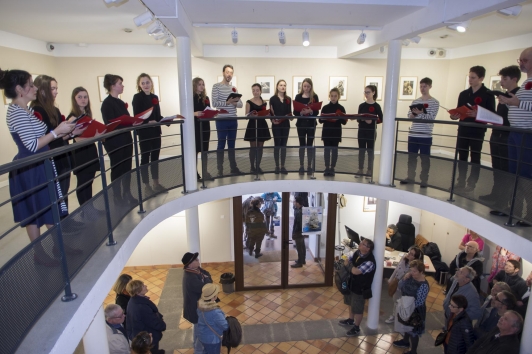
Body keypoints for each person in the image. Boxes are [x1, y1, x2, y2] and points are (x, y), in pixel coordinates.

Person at [1, 68, 77, 267]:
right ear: (20, 89)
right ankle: (39, 253)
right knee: (35, 211)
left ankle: (58, 245)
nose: (35, 88)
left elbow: (41, 138)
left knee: (48, 206)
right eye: (31, 85)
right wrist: (57, 131)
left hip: (40, 164)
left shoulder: (24, 110)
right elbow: (32, 145)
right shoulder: (16, 112)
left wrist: (62, 133)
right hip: (30, 168)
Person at [479, 66, 521, 212]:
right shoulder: (505, 95)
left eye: (504, 78)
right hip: (497, 134)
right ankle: (496, 195)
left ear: (514, 79)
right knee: (497, 168)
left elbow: (515, 118)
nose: (501, 81)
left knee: (505, 170)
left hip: (507, 137)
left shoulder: (517, 96)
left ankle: (503, 202)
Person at [498, 47, 532, 226]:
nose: (521, 63)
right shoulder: (525, 86)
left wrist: (517, 102)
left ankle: (529, 213)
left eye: (525, 60)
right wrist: (509, 103)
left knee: (526, 175)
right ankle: (516, 209)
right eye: (520, 60)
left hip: (527, 135)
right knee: (515, 174)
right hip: (515, 133)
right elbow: (520, 108)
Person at [30, 75, 74, 212]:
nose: (56, 91)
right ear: (42, 91)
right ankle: (62, 222)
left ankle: (65, 218)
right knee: (57, 191)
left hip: (61, 152)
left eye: (56, 88)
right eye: (53, 88)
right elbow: (46, 136)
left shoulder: (54, 109)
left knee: (64, 189)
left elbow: (59, 135)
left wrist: (72, 131)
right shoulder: (37, 110)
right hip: (52, 156)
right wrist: (61, 131)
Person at [450, 66, 495, 193]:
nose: (470, 80)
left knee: (475, 157)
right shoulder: (463, 94)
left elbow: (492, 114)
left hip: (478, 130)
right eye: (469, 77)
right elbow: (459, 110)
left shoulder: (488, 94)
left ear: (481, 78)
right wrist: (454, 116)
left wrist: (478, 114)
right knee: (462, 156)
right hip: (463, 129)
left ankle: (471, 184)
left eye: (473, 77)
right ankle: (460, 182)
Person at [101, 74, 139, 205]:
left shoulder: (121, 103)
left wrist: (132, 123)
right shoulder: (106, 104)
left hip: (126, 139)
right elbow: (110, 123)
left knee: (127, 167)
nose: (122, 86)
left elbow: (125, 119)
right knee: (117, 169)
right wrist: (126, 123)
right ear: (112, 86)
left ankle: (127, 193)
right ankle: (117, 196)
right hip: (115, 141)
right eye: (120, 83)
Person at [400, 77, 439, 187]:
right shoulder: (416, 101)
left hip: (425, 135)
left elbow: (431, 118)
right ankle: (410, 177)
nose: (422, 88)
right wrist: (413, 114)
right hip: (413, 133)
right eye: (421, 86)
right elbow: (409, 115)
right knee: (411, 157)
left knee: (425, 158)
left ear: (430, 86)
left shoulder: (435, 102)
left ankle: (424, 180)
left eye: (425, 86)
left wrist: (421, 112)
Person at [67, 87, 101, 208]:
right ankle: (85, 210)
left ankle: (90, 207)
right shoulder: (72, 117)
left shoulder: (86, 115)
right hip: (80, 153)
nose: (83, 99)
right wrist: (95, 136)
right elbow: (77, 139)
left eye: (85, 97)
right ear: (74, 99)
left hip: (90, 150)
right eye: (80, 97)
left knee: (89, 181)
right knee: (83, 182)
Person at [132, 73, 165, 196]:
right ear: (139, 85)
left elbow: (157, 116)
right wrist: (147, 122)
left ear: (151, 83)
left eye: (147, 82)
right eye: (143, 83)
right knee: (145, 159)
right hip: (145, 133)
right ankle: (147, 186)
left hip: (156, 131)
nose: (146, 85)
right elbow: (137, 117)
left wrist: (166, 119)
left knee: (155, 158)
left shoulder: (154, 97)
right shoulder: (137, 97)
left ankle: (156, 184)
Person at [338, 238, 376, 336]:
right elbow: (347, 260)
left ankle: (356, 327)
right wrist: (351, 265)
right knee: (351, 303)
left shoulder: (369, 261)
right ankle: (351, 320)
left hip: (360, 288)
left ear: (368, 249)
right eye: (361, 242)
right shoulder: (357, 253)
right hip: (351, 284)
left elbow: (356, 271)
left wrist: (349, 266)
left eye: (363, 244)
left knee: (358, 308)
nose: (360, 244)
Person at [392, 260, 429, 354]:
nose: (412, 273)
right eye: (411, 270)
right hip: (406, 306)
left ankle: (413, 351)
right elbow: (400, 287)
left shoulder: (423, 285)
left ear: (421, 272)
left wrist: (408, 309)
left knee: (413, 331)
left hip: (415, 310)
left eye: (414, 271)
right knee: (406, 326)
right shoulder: (410, 277)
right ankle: (405, 341)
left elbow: (420, 301)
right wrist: (404, 279)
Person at [211, 64, 243, 176]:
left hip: (233, 119)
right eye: (227, 72)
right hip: (221, 120)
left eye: (231, 72)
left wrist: (234, 102)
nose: (229, 74)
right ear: (223, 73)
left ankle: (233, 168)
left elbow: (240, 104)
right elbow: (214, 103)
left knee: (231, 145)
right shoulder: (216, 86)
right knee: (221, 144)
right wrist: (227, 102)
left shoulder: (234, 88)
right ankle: (220, 170)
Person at [181, 251, 213, 354]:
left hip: (198, 307)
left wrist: (207, 280)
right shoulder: (190, 278)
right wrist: (208, 281)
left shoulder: (196, 270)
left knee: (198, 327)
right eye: (196, 260)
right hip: (195, 309)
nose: (198, 260)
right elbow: (206, 288)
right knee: (200, 330)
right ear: (190, 264)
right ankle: (198, 350)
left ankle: (197, 346)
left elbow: (207, 274)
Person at [385, 246, 424, 324]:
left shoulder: (415, 267)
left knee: (403, 304)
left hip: (405, 288)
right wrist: (390, 279)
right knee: (395, 301)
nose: (409, 254)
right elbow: (396, 269)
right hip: (397, 284)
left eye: (412, 254)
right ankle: (394, 316)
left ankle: (401, 318)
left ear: (416, 258)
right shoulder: (404, 259)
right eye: (409, 252)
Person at [126, 280, 166, 354]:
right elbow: (152, 322)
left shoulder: (133, 300)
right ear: (138, 291)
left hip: (140, 332)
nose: (146, 286)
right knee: (151, 348)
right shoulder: (141, 307)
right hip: (147, 334)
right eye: (143, 286)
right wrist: (162, 326)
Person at [294, 78, 320, 175]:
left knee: (309, 145)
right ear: (302, 86)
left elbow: (317, 111)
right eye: (304, 86)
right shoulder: (298, 96)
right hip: (301, 124)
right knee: (302, 145)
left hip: (311, 124)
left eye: (308, 86)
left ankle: (309, 165)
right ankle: (301, 165)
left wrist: (311, 111)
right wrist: (301, 112)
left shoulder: (314, 96)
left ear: (311, 87)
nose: (306, 88)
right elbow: (295, 112)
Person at [356, 85, 382, 179]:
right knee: (361, 150)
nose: (366, 94)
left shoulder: (376, 106)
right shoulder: (362, 105)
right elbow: (358, 119)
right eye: (365, 92)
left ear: (373, 92)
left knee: (370, 151)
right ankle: (360, 169)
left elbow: (381, 119)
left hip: (371, 131)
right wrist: (362, 119)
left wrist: (372, 121)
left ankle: (369, 170)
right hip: (362, 131)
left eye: (368, 92)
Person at [319, 87, 347, 176]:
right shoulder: (325, 107)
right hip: (327, 132)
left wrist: (339, 117)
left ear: (338, 96)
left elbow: (344, 122)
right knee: (327, 151)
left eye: (335, 96)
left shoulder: (341, 108)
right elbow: (320, 120)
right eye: (332, 96)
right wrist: (327, 117)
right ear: (329, 96)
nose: (333, 98)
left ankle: (332, 168)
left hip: (336, 132)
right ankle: (327, 168)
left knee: (334, 151)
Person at [244, 83, 271, 173]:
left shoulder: (264, 102)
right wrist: (251, 115)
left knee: (260, 147)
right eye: (253, 90)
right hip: (252, 124)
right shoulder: (248, 102)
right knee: (253, 147)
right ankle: (252, 167)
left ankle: (258, 166)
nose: (255, 92)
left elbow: (265, 114)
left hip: (262, 125)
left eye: (257, 90)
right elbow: (246, 115)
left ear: (260, 91)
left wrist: (267, 114)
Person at [196, 284, 229, 354]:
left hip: (202, 335)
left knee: (206, 351)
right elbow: (225, 326)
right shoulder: (215, 312)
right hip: (212, 340)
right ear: (213, 297)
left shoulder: (201, 306)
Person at [269, 79, 292, 174]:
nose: (283, 87)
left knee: (283, 145)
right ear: (277, 86)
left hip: (286, 124)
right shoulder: (273, 99)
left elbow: (289, 111)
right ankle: (277, 166)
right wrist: (272, 120)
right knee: (277, 145)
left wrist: (291, 116)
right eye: (281, 85)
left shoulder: (288, 99)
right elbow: (271, 113)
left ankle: (283, 166)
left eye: (284, 85)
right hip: (276, 125)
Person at [193, 77, 213, 181]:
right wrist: (194, 113)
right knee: (195, 151)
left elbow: (208, 109)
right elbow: (186, 113)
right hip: (195, 127)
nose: (202, 86)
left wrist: (211, 113)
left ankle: (205, 172)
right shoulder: (191, 97)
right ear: (195, 85)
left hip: (205, 126)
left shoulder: (206, 98)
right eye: (199, 84)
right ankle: (194, 174)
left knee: (205, 151)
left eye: (203, 84)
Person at [291, 196, 305, 268]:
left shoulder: (299, 212)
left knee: (299, 247)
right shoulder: (302, 209)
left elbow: (298, 224)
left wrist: (295, 233)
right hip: (302, 232)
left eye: (294, 202)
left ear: (298, 203)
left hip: (299, 232)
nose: (293, 203)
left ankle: (300, 262)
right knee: (302, 245)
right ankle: (303, 260)